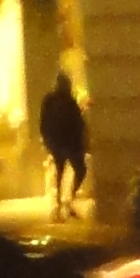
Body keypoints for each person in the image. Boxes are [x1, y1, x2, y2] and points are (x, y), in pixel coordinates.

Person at [39, 69, 90, 218]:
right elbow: (77, 123)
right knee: (77, 170)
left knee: (63, 171)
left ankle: (63, 202)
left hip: (59, 141)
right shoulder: (65, 101)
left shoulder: (52, 100)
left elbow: (43, 121)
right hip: (67, 142)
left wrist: (46, 139)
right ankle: (66, 200)